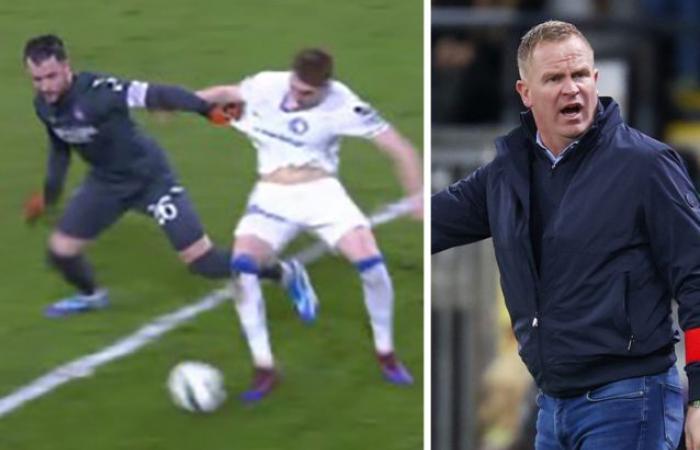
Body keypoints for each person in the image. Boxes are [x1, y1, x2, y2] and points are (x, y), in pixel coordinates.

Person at [432, 20, 700, 449]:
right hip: (552, 406)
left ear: (596, 80)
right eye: (555, 78)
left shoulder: (646, 166)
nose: (571, 88)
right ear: (525, 93)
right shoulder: (508, 172)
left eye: (579, 75)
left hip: (630, 398)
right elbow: (431, 222)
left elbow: (696, 277)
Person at [22, 34, 309, 318]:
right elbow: (60, 148)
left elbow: (157, 94)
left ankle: (283, 272)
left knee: (202, 262)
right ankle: (92, 296)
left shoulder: (101, 92)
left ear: (66, 66)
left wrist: (206, 109)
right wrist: (49, 196)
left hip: (149, 179)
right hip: (106, 183)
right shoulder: (43, 105)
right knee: (61, 252)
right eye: (37, 79)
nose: (45, 86)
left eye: (51, 76)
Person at [197, 48, 423, 402]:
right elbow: (223, 95)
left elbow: (400, 148)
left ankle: (386, 353)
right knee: (242, 269)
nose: (299, 96)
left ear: (324, 87)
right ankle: (264, 367)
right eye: (296, 88)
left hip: (321, 194)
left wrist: (417, 196)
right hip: (271, 194)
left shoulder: (344, 104)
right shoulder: (266, 85)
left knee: (371, 263)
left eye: (308, 93)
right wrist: (177, 101)